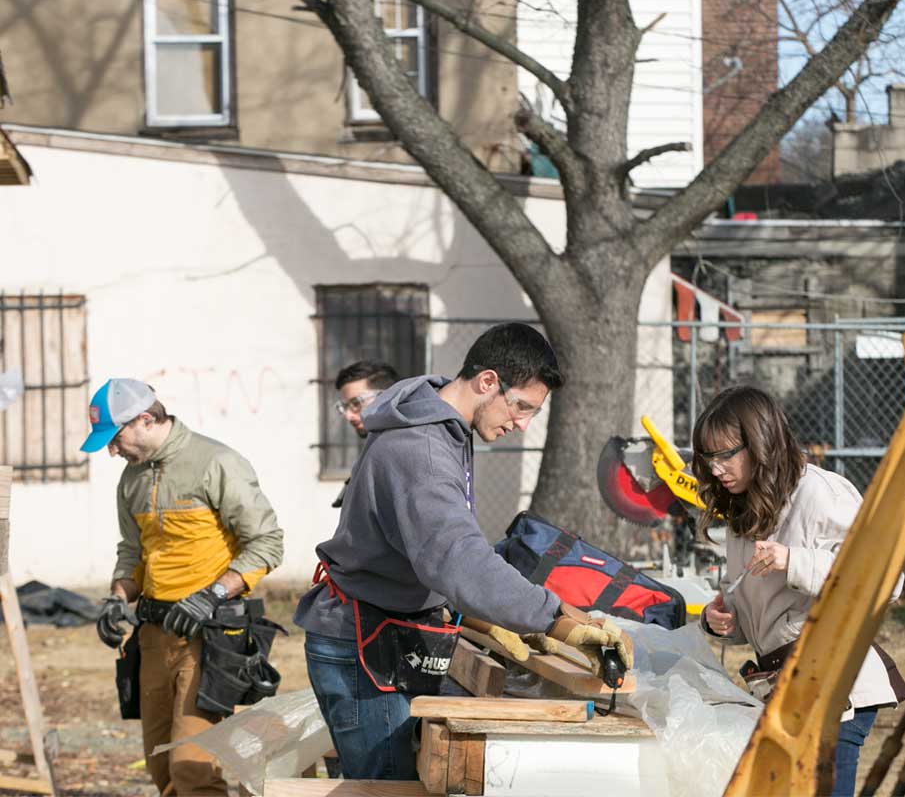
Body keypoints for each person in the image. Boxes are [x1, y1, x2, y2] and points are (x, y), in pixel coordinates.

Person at [295, 322, 633, 780]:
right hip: (363, 642)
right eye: (521, 407)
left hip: (388, 631)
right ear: (487, 381)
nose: (522, 424)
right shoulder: (424, 452)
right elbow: (459, 560)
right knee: (387, 789)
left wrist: (502, 614)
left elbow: (435, 555)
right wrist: (556, 620)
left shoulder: (439, 425)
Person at [694, 385, 905, 797]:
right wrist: (722, 619)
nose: (716, 468)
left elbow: (885, 578)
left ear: (761, 442)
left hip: (834, 686)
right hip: (781, 686)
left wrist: (794, 561)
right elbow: (750, 606)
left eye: (726, 454)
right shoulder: (744, 504)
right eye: (708, 457)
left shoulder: (821, 493)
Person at [84, 378, 284, 796]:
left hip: (209, 636)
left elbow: (267, 543)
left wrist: (211, 594)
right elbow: (133, 551)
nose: (112, 450)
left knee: (192, 767)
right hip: (155, 635)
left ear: (144, 420)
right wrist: (117, 597)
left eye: (115, 437)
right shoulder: (131, 480)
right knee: (162, 768)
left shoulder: (216, 463)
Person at [331, 360, 399, 508]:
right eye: (344, 407)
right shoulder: (376, 448)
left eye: (356, 403)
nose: (348, 415)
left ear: (385, 396)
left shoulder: (407, 448)